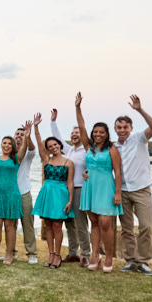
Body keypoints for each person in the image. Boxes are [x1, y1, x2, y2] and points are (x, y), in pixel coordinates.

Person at [76, 92, 124, 274]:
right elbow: (81, 127)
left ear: (106, 134)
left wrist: (118, 192)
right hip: (90, 186)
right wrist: (78, 107)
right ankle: (95, 256)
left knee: (105, 224)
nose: (97, 134)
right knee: (94, 223)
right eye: (95, 132)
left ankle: (109, 257)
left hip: (106, 188)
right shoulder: (89, 147)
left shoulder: (112, 149)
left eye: (101, 132)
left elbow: (118, 171)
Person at [115, 94, 152, 276]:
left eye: (125, 127)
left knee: (146, 226)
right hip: (123, 191)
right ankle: (131, 260)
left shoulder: (140, 139)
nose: (122, 130)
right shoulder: (113, 146)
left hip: (141, 189)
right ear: (115, 129)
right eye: (119, 127)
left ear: (131, 128)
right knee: (126, 229)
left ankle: (143, 261)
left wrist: (139, 109)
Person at [0, 117, 30, 265]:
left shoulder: (16, 158)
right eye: (5, 143)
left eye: (10, 143)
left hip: (12, 195)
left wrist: (26, 136)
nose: (7, 145)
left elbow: (25, 148)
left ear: (13, 146)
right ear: (1, 145)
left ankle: (9, 254)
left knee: (9, 226)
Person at [31, 118, 75, 268]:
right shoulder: (46, 159)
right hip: (47, 193)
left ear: (60, 145)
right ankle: (50, 254)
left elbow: (70, 182)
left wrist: (70, 200)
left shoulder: (68, 162)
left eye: (55, 144)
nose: (53, 147)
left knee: (57, 225)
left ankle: (57, 255)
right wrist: (36, 128)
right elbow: (38, 143)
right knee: (48, 225)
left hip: (60, 195)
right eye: (50, 146)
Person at [50, 107, 90, 267]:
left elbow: (93, 167)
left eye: (77, 133)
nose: (74, 135)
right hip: (68, 190)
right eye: (72, 133)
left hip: (81, 190)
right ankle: (73, 253)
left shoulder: (86, 150)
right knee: (70, 224)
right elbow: (57, 138)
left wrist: (89, 173)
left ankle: (86, 254)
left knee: (81, 224)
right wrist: (53, 121)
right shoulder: (70, 150)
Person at [14, 118, 40, 265]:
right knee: (10, 225)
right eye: (17, 134)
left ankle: (32, 253)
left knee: (27, 224)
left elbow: (32, 150)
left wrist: (28, 136)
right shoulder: (6, 154)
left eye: (21, 134)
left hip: (24, 193)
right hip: (9, 194)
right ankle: (11, 252)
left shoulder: (27, 156)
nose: (19, 136)